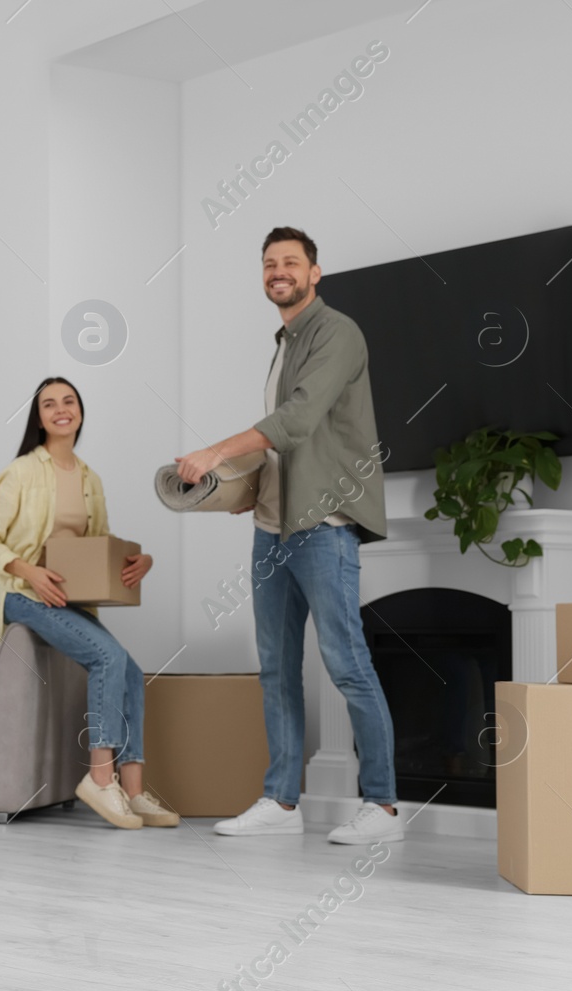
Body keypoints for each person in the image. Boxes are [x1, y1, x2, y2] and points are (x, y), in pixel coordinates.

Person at [173, 226, 400, 846]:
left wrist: (216, 452)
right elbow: (283, 449)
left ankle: (382, 808)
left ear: (315, 272)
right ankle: (281, 799)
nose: (279, 271)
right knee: (275, 668)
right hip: (273, 528)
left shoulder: (337, 332)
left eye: (290, 262)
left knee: (347, 663)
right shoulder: (283, 340)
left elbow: (297, 422)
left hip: (323, 526)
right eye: (269, 263)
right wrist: (238, 492)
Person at [0, 377, 177, 831]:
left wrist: (141, 559)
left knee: (130, 671)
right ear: (39, 417)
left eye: (69, 401)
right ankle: (99, 778)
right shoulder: (22, 471)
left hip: (69, 600)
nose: (60, 409)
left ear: (79, 411)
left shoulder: (90, 479)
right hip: (22, 596)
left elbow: (99, 546)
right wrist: (31, 573)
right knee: (107, 656)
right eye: (49, 404)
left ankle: (134, 790)